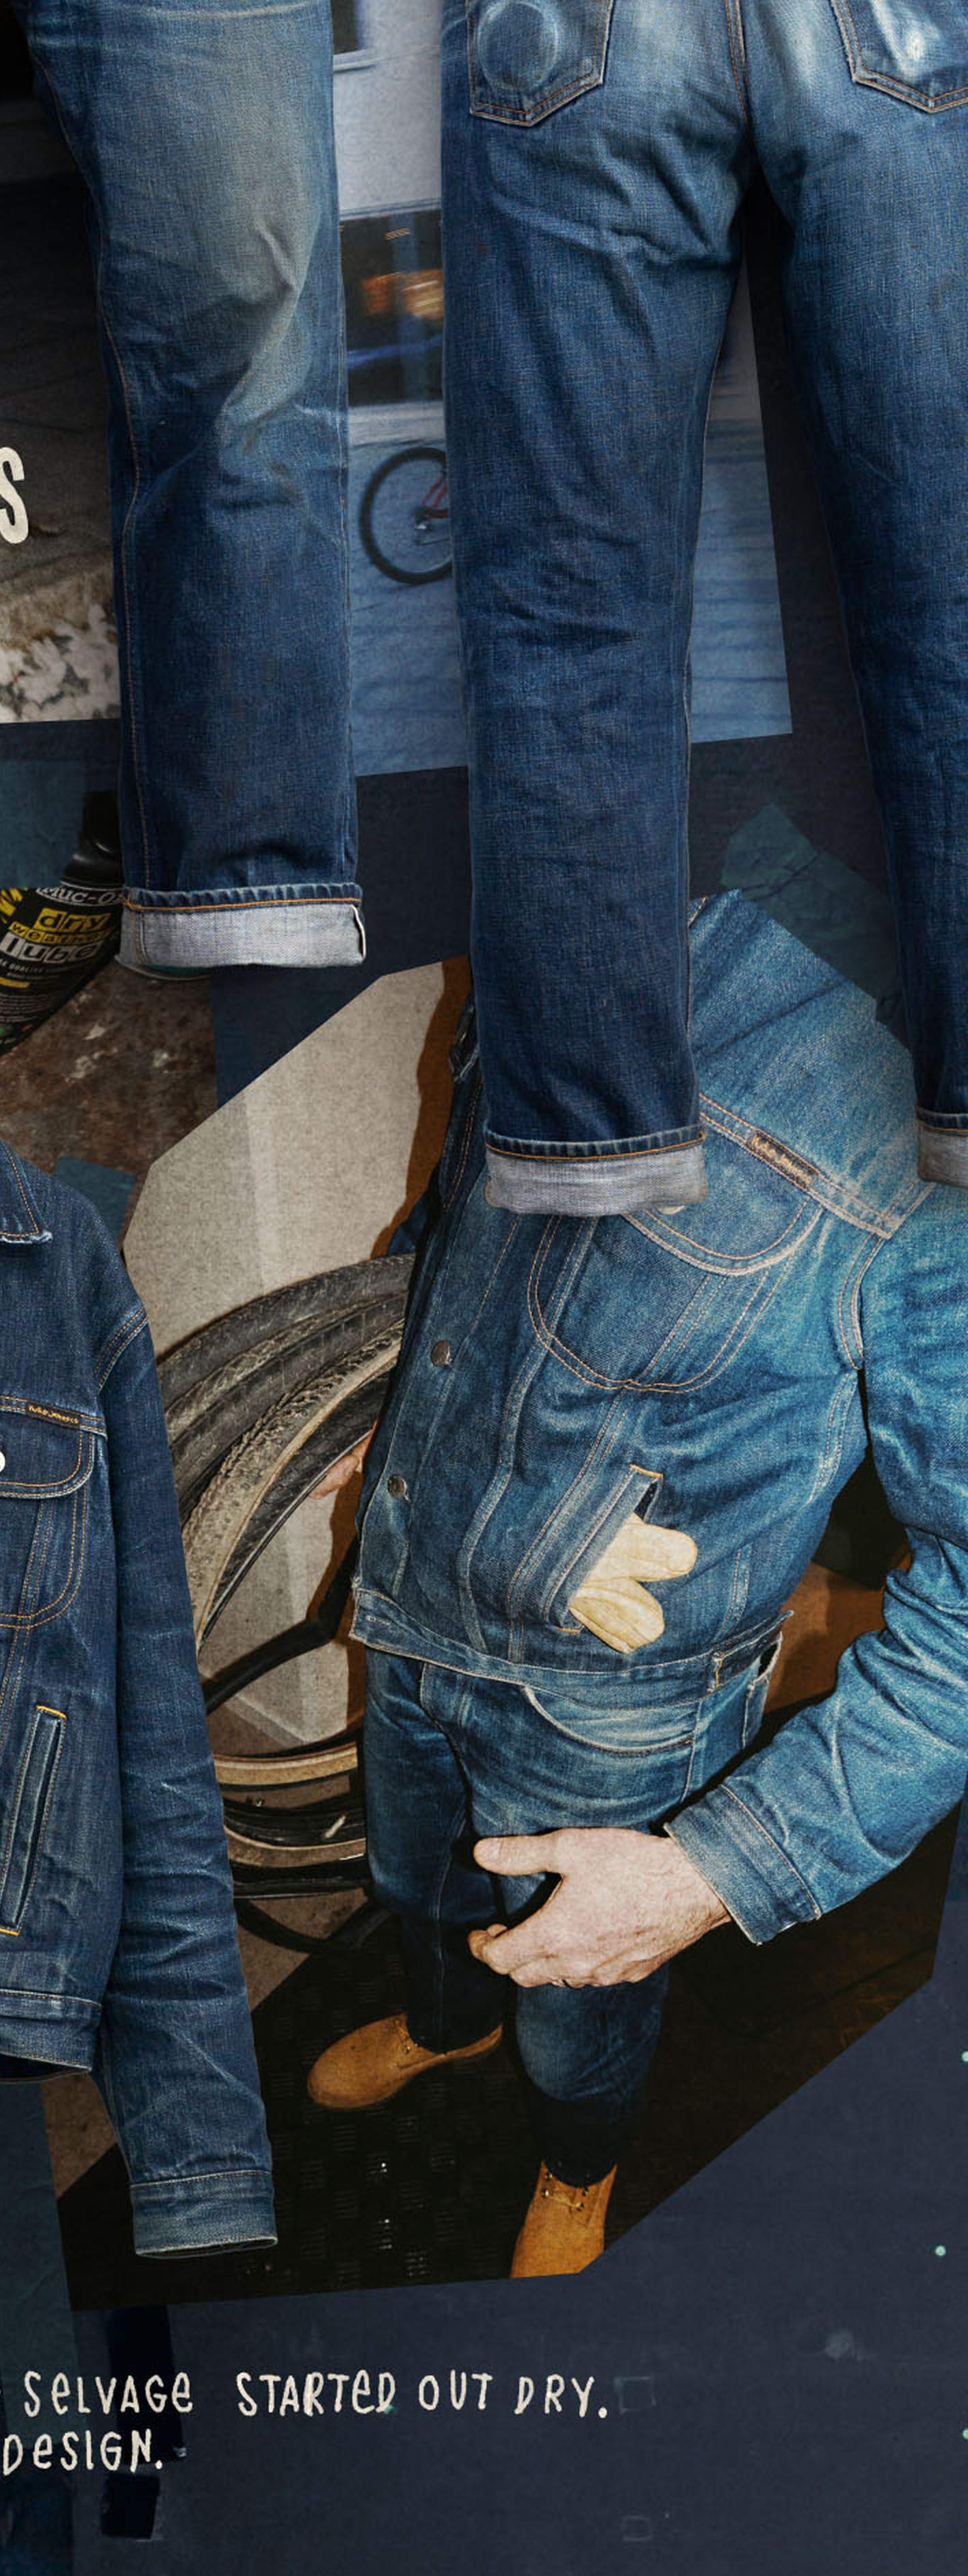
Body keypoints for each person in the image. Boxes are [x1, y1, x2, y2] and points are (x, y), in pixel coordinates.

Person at [304, 882, 968, 2278]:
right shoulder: (594, 868)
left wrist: (711, 1874)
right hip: (417, 1582)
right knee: (410, 1875)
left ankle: (576, 2161)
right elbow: (462, 1217)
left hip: (614, 1701)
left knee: (579, 2010)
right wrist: (395, 1385)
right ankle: (442, 2024)